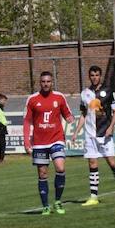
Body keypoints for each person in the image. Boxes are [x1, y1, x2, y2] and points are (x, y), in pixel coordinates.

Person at [72, 65, 115, 206]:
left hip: (104, 133)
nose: (94, 77)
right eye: (92, 75)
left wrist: (111, 127)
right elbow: (83, 114)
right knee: (93, 164)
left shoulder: (108, 91)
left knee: (112, 163)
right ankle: (93, 197)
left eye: (97, 75)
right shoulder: (84, 93)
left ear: (100, 76)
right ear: (89, 76)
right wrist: (76, 132)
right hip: (90, 135)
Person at [23, 71, 75, 215]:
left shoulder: (59, 97)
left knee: (60, 167)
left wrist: (71, 118)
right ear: (40, 83)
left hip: (56, 139)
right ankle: (46, 205)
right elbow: (27, 121)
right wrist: (27, 141)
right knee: (42, 173)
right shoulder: (32, 99)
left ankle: (58, 201)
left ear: (52, 82)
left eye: (48, 81)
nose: (46, 84)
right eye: (43, 82)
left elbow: (67, 113)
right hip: (39, 142)